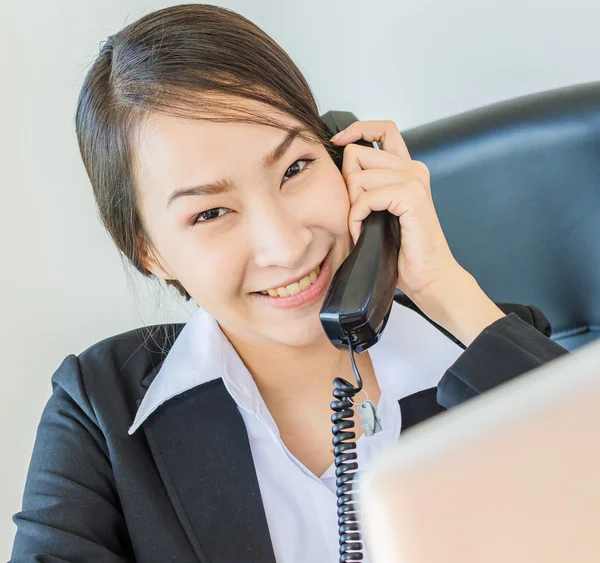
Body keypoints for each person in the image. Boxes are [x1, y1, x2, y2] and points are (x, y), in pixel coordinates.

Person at [10, 4, 569, 563]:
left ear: (344, 157)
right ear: (150, 252)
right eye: (210, 213)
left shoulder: (496, 352)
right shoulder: (100, 414)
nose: (285, 245)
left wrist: (444, 288)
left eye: (295, 168)